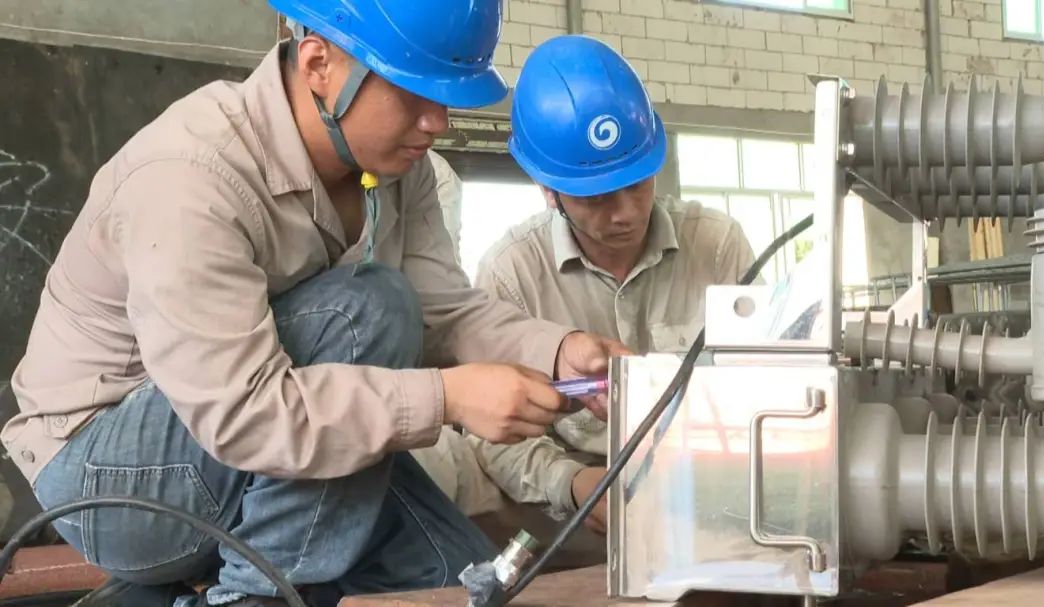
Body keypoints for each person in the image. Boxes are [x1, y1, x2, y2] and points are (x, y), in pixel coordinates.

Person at [2, 4, 627, 606]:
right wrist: (448, 397)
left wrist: (558, 351)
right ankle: (253, 597)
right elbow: (244, 411)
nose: (436, 122)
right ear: (319, 64)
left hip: (258, 454)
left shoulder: (395, 168)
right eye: (413, 92)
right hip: (113, 482)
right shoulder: (191, 176)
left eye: (446, 97)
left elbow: (445, 311)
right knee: (369, 308)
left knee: (455, 582)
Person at [466, 35, 758, 558]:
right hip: (575, 517)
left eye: (639, 183)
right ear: (549, 190)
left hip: (713, 495)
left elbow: (764, 386)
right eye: (597, 197)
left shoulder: (718, 248)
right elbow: (495, 436)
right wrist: (575, 485)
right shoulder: (512, 275)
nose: (625, 213)